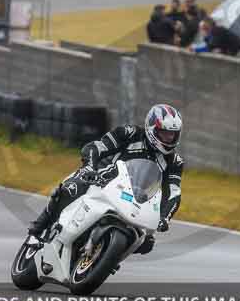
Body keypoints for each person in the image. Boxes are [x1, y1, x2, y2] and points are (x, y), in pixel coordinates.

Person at [27, 104, 185, 255]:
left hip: (136, 198)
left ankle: (108, 258)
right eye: (164, 133)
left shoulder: (175, 162)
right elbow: (95, 147)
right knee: (70, 188)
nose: (168, 138)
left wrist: (165, 217)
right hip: (100, 178)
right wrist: (89, 167)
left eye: (172, 134)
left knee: (147, 243)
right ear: (151, 128)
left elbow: (173, 193)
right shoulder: (129, 133)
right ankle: (36, 231)